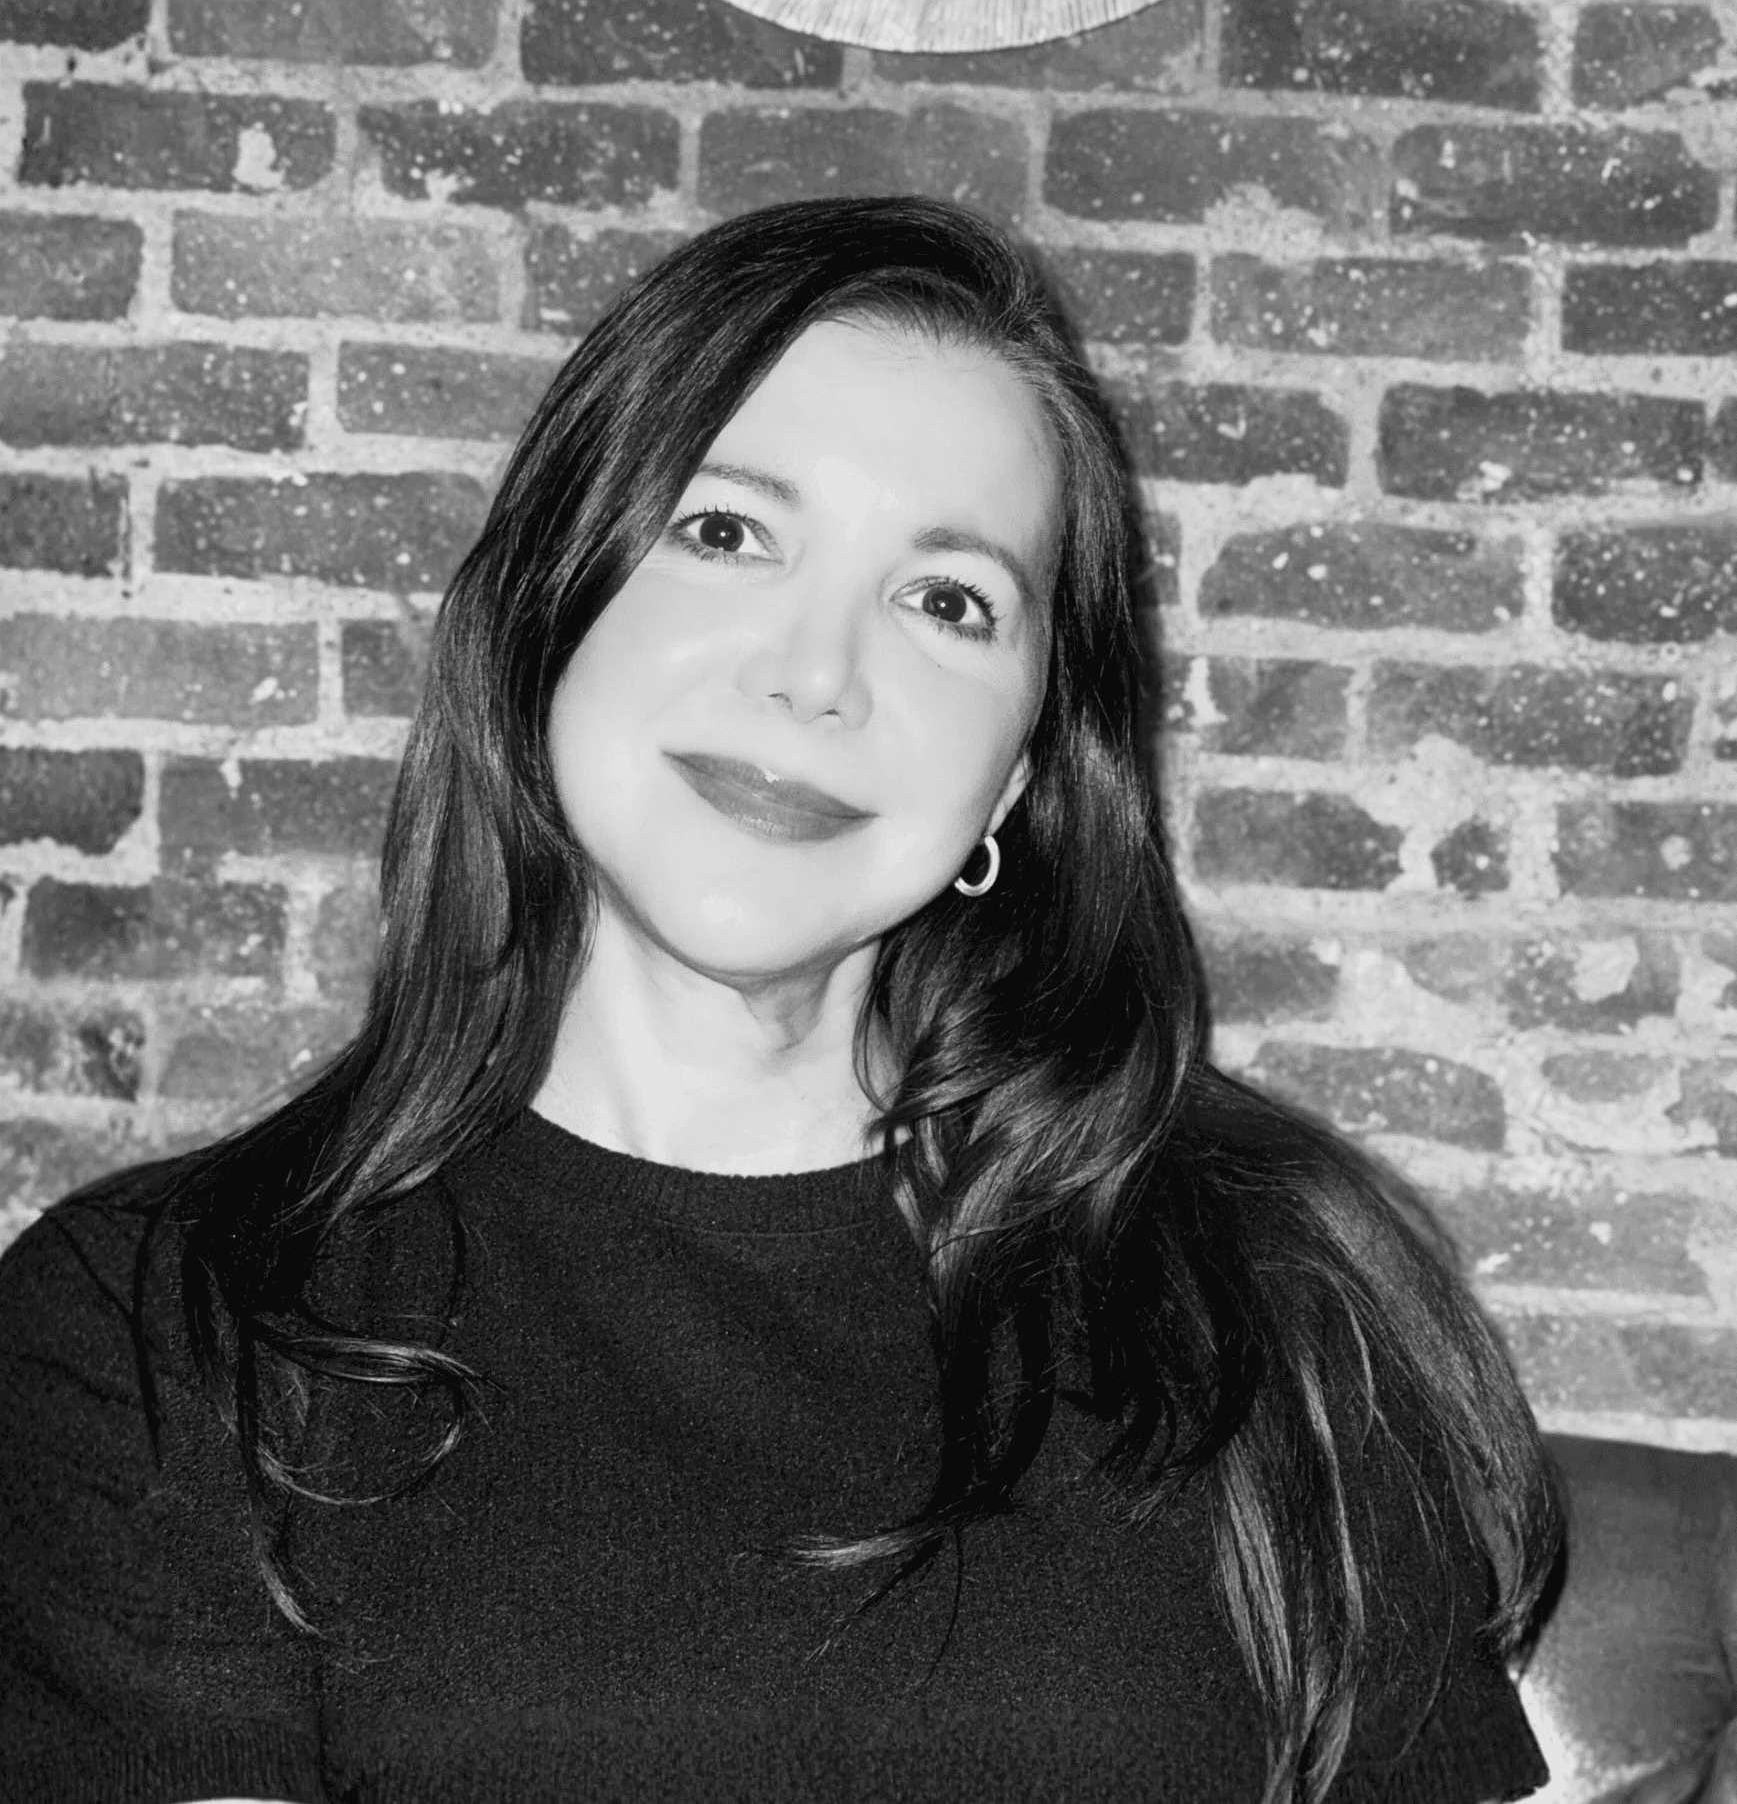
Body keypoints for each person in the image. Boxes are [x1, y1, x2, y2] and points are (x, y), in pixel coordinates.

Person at [0, 195, 1561, 1804]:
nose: (818, 673)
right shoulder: (154, 1331)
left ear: (1018, 770)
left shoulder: (1269, 1300)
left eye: (948, 599)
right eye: (728, 532)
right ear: (555, 599)